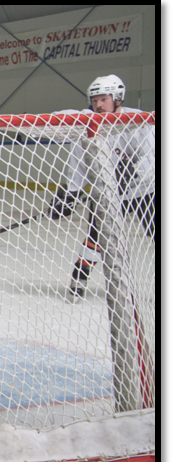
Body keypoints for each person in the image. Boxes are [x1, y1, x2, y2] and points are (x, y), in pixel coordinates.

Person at [47, 75, 155, 298]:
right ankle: (79, 279)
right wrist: (70, 193)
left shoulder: (137, 120)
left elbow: (151, 156)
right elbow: (79, 163)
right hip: (108, 189)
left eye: (104, 99)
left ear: (117, 99)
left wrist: (134, 174)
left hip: (146, 190)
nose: (98, 104)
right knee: (96, 236)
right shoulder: (87, 123)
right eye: (94, 100)